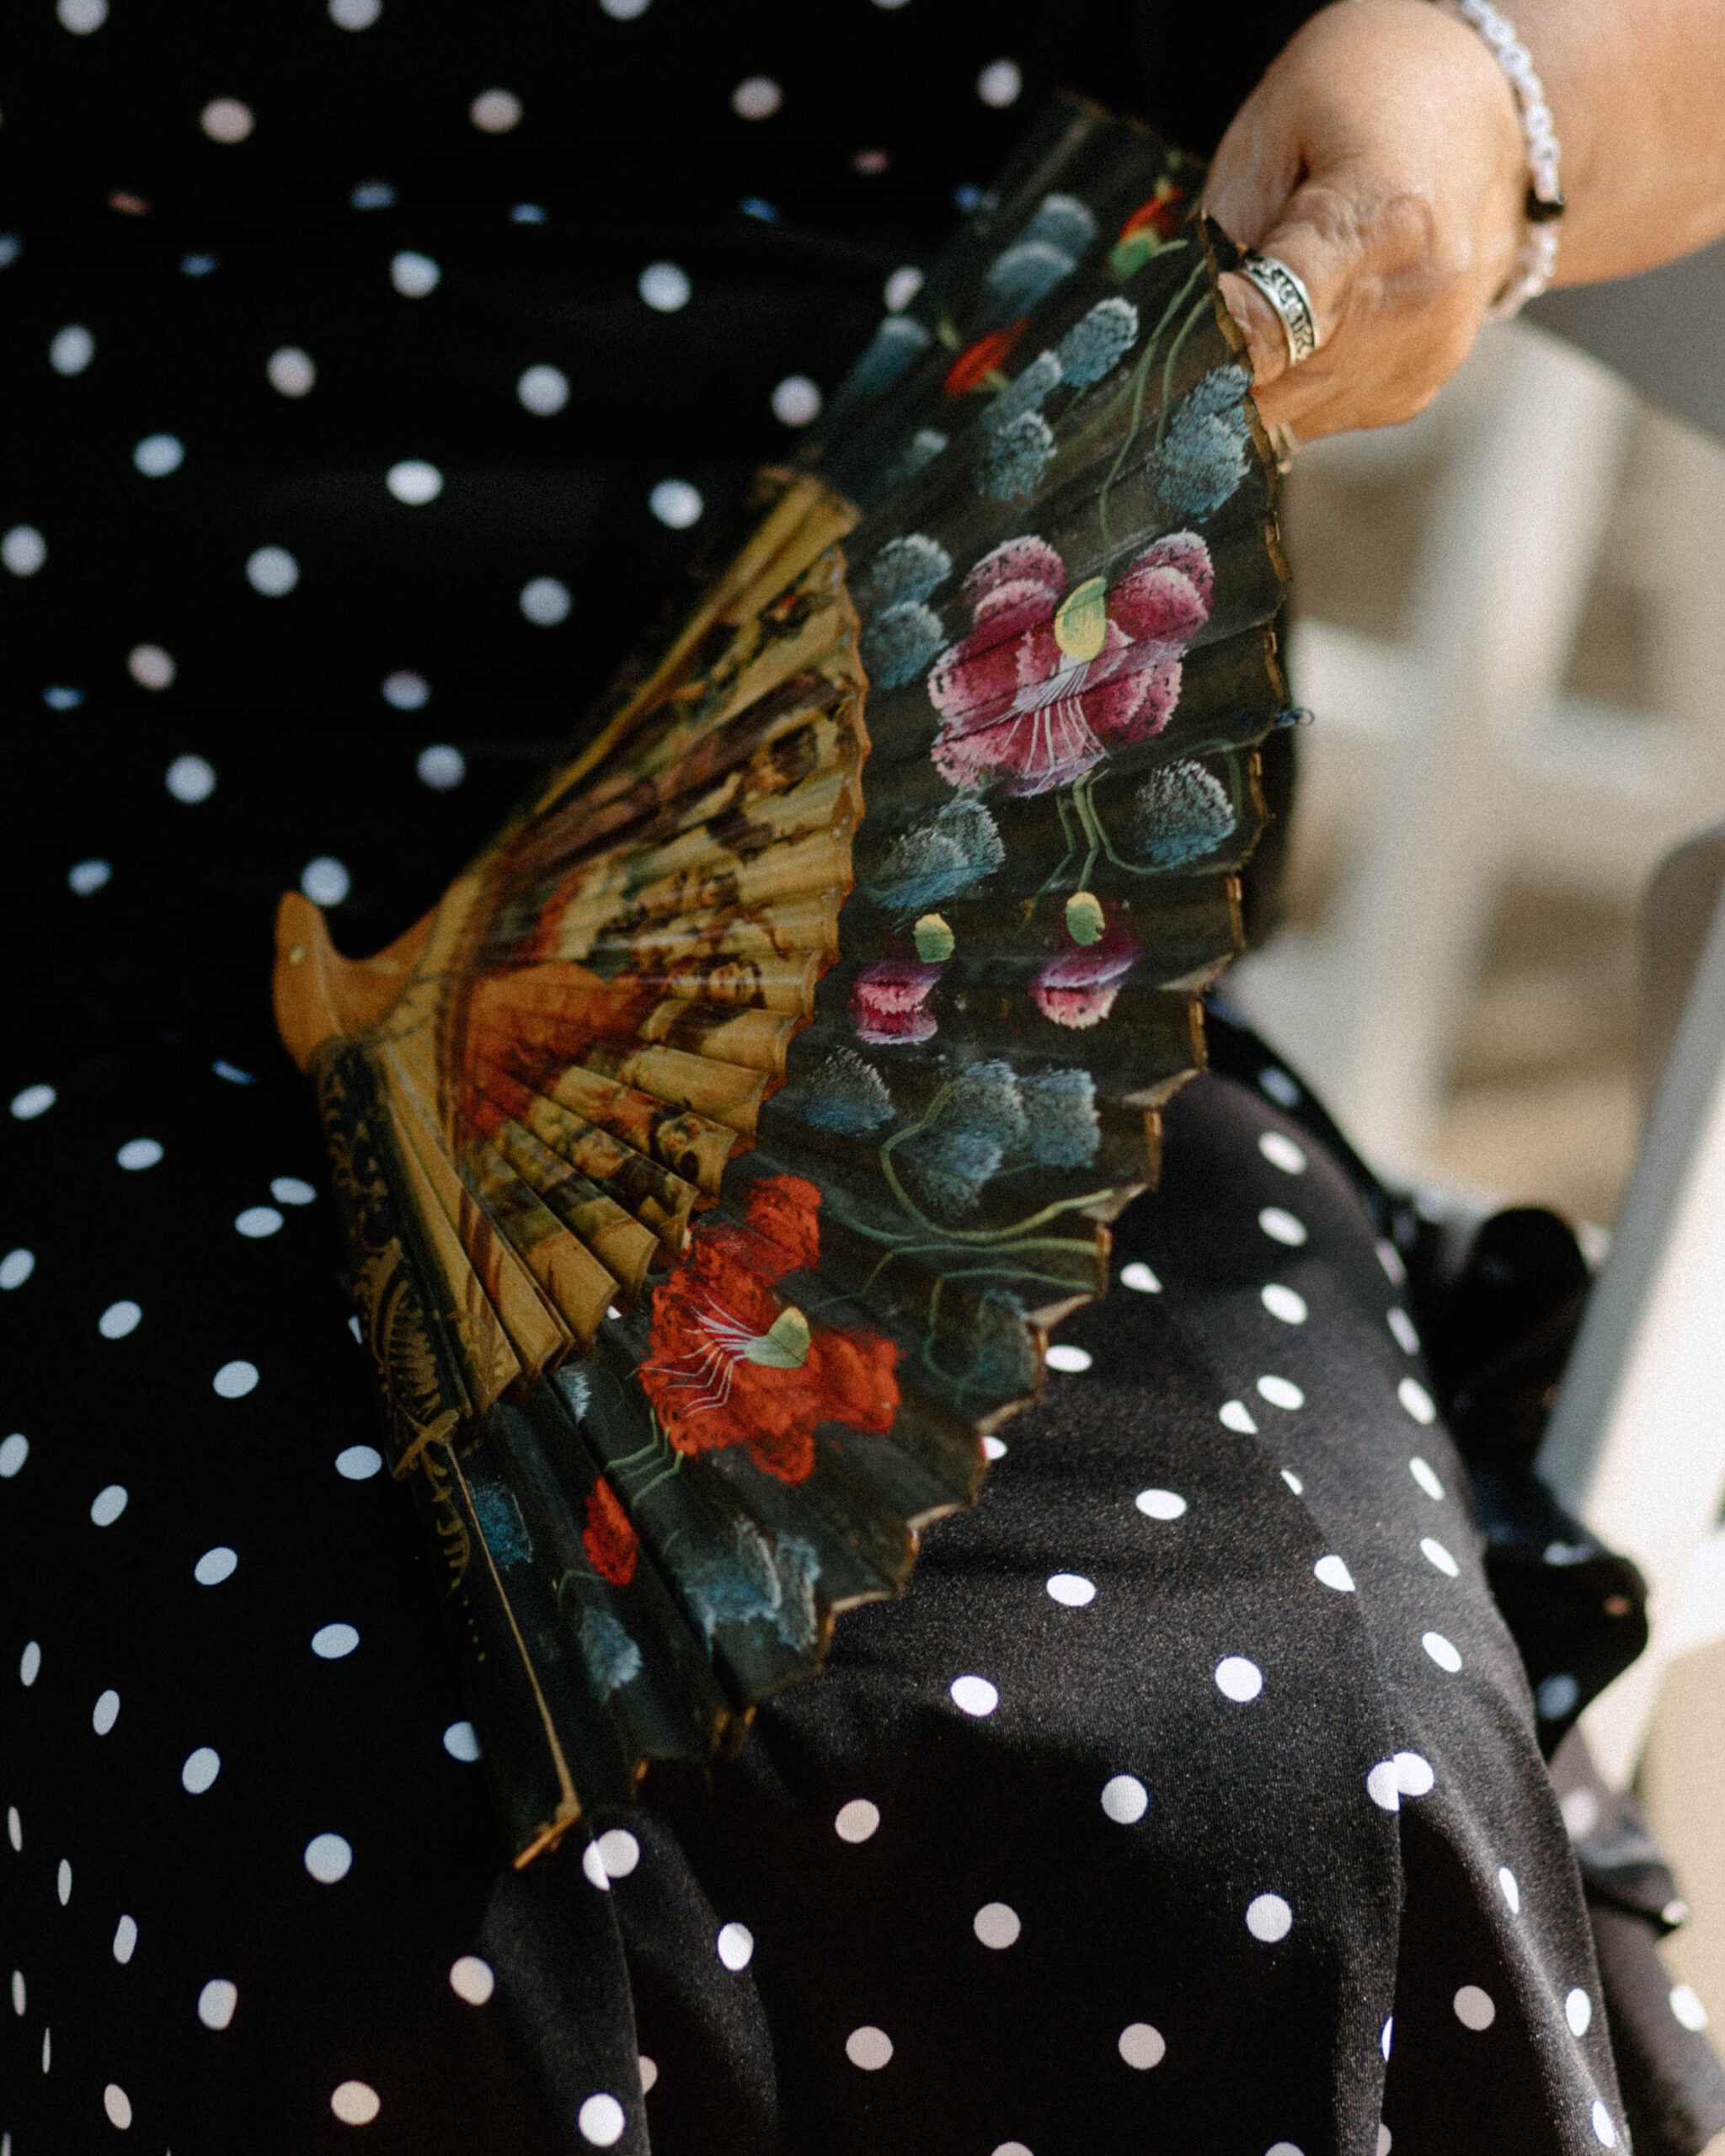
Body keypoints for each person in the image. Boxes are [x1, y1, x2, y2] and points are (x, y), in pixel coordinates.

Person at [3, 4, 1724, 2152]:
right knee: (331, 1865)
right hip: (76, 897)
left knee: (1275, 1761)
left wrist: (1498, 91)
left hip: (919, 931)